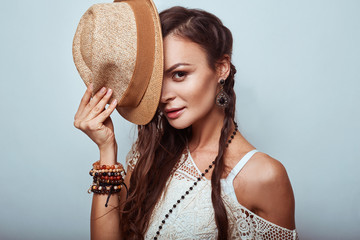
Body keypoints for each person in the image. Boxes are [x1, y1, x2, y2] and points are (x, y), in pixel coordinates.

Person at [74, 6, 298, 240]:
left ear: (221, 68)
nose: (164, 95)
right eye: (157, 81)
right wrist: (106, 150)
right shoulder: (148, 154)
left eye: (179, 74)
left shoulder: (263, 176)